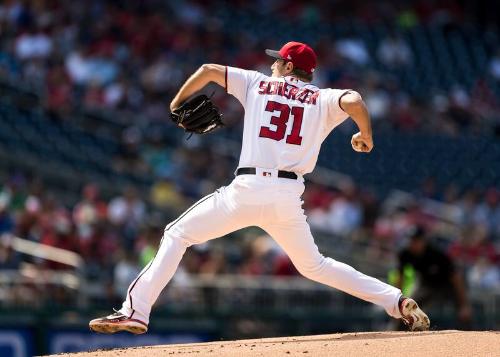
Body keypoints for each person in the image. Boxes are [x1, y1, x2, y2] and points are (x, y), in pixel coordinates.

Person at [89, 41, 429, 334]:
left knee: (177, 234)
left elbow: (208, 69)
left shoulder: (257, 82)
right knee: (315, 266)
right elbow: (355, 100)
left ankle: (136, 310)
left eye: (276, 59)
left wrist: (175, 104)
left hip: (248, 188)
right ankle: (395, 301)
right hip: (287, 197)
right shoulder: (323, 98)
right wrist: (365, 134)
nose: (271, 63)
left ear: (288, 65)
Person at [397, 226, 472, 328]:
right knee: (406, 308)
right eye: (411, 240)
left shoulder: (437, 253)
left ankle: (471, 335)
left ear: (423, 241)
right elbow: (400, 278)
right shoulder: (405, 254)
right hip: (427, 284)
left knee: (464, 313)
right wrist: (398, 300)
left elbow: (456, 278)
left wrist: (464, 305)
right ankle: (398, 332)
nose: (413, 243)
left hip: (448, 285)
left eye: (416, 240)